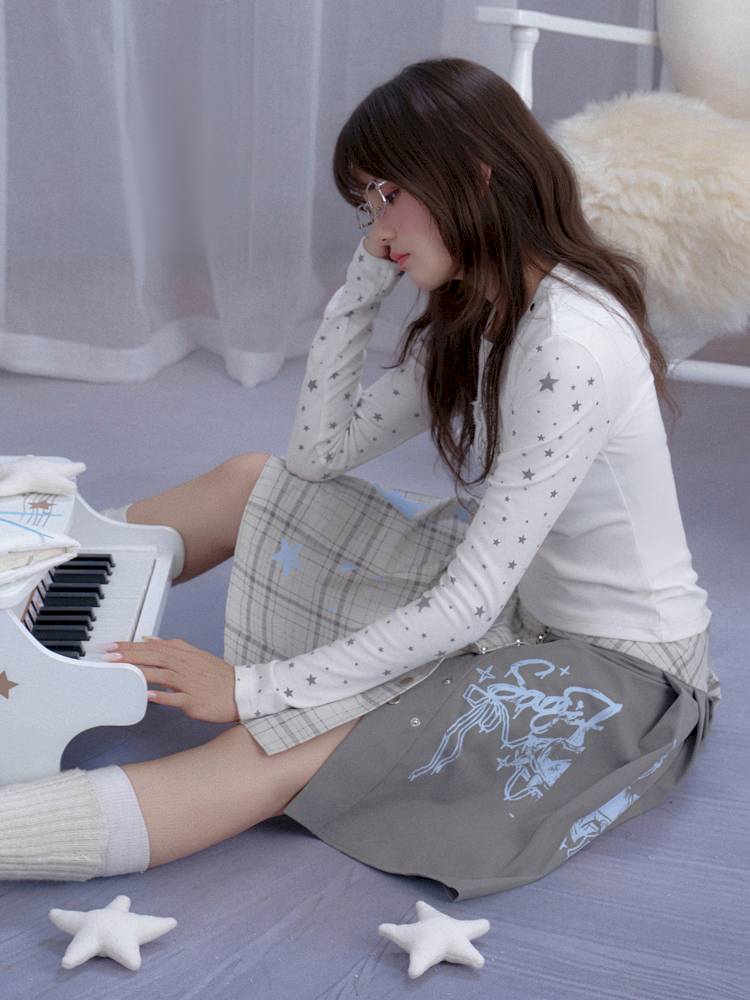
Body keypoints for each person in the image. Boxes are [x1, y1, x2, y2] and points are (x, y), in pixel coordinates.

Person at [0, 57, 719, 898]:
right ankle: (24, 582)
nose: (378, 230)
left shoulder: (570, 346)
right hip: (516, 600)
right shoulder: (485, 307)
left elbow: (466, 606)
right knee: (249, 480)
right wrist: (361, 287)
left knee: (279, 738)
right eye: (365, 206)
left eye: (388, 197)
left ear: (475, 176)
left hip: (615, 669)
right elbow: (318, 454)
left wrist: (253, 690)